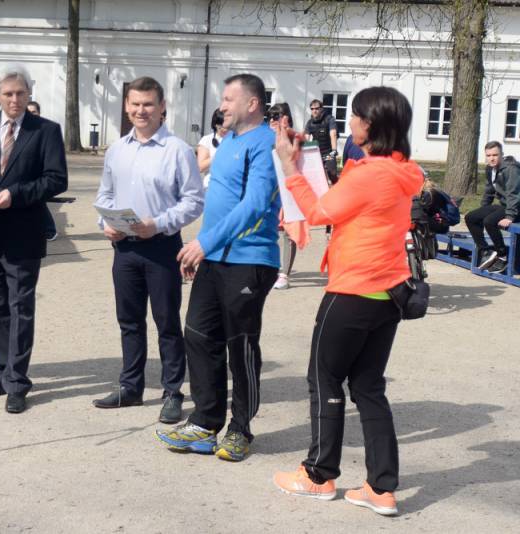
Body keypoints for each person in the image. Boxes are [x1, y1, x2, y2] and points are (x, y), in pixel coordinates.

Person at [272, 86, 424, 516]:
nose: (350, 121)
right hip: (388, 294)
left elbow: (320, 212)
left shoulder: (369, 174)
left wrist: (290, 166)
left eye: (355, 115)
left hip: (352, 291)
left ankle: (318, 474)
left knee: (324, 379)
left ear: (370, 124)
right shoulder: (402, 170)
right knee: (369, 388)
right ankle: (381, 487)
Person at [156, 73, 280, 462]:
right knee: (198, 335)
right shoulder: (227, 142)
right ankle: (205, 422)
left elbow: (255, 203)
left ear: (252, 104)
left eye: (229, 98)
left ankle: (240, 428)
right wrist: (203, 250)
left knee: (240, 345)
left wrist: (205, 243)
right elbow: (220, 202)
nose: (222, 105)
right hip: (215, 257)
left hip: (250, 259)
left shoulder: (266, 143)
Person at [0, 64, 67, 414]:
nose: (15, 99)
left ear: (29, 94)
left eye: (20, 93)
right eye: (8, 94)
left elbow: (56, 179)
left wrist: (16, 194)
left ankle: (18, 382)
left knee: (20, 306)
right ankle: (3, 370)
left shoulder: (46, 130)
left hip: (24, 230)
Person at [93, 76, 204, 423]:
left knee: (167, 322)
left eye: (148, 104)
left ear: (162, 107)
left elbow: (194, 201)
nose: (141, 111)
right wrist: (105, 223)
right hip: (124, 248)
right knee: (129, 321)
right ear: (127, 106)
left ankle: (172, 391)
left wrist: (157, 223)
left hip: (161, 247)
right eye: (135, 104)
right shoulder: (117, 149)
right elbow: (105, 194)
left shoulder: (178, 150)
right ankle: (130, 387)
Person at [267, 102, 310, 290]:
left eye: (276, 116)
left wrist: (285, 131)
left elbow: (300, 146)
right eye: (270, 116)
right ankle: (272, 269)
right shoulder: (265, 135)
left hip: (289, 190)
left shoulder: (293, 136)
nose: (272, 120)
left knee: (289, 232)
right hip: (271, 189)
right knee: (269, 230)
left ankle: (284, 274)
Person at [465, 141, 520, 273]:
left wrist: (510, 216)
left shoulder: (511, 169)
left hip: (516, 207)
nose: (492, 158)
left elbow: (513, 194)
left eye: (495, 155)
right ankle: (486, 251)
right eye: (488, 155)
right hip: (506, 205)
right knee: (471, 217)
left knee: (489, 221)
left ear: (501, 155)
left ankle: (502, 255)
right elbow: (489, 191)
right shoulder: (490, 169)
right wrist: (483, 210)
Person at [25, 100, 58, 241]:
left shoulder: (46, 130)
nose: (31, 115)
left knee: (39, 202)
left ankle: (50, 230)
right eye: (28, 112)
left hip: (41, 175)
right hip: (27, 174)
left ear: (39, 113)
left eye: (34, 112)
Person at [304, 99, 339, 183]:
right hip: (317, 153)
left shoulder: (329, 119)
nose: (314, 111)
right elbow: (306, 138)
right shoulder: (310, 123)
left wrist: (334, 150)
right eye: (312, 109)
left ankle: (336, 186)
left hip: (329, 152)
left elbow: (333, 134)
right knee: (317, 177)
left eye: (317, 108)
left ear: (321, 108)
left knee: (332, 173)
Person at [196, 108, 228, 188]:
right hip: (211, 185)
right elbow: (200, 167)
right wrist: (218, 155)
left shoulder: (235, 138)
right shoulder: (207, 140)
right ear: (215, 125)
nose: (224, 130)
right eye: (220, 127)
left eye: (227, 126)